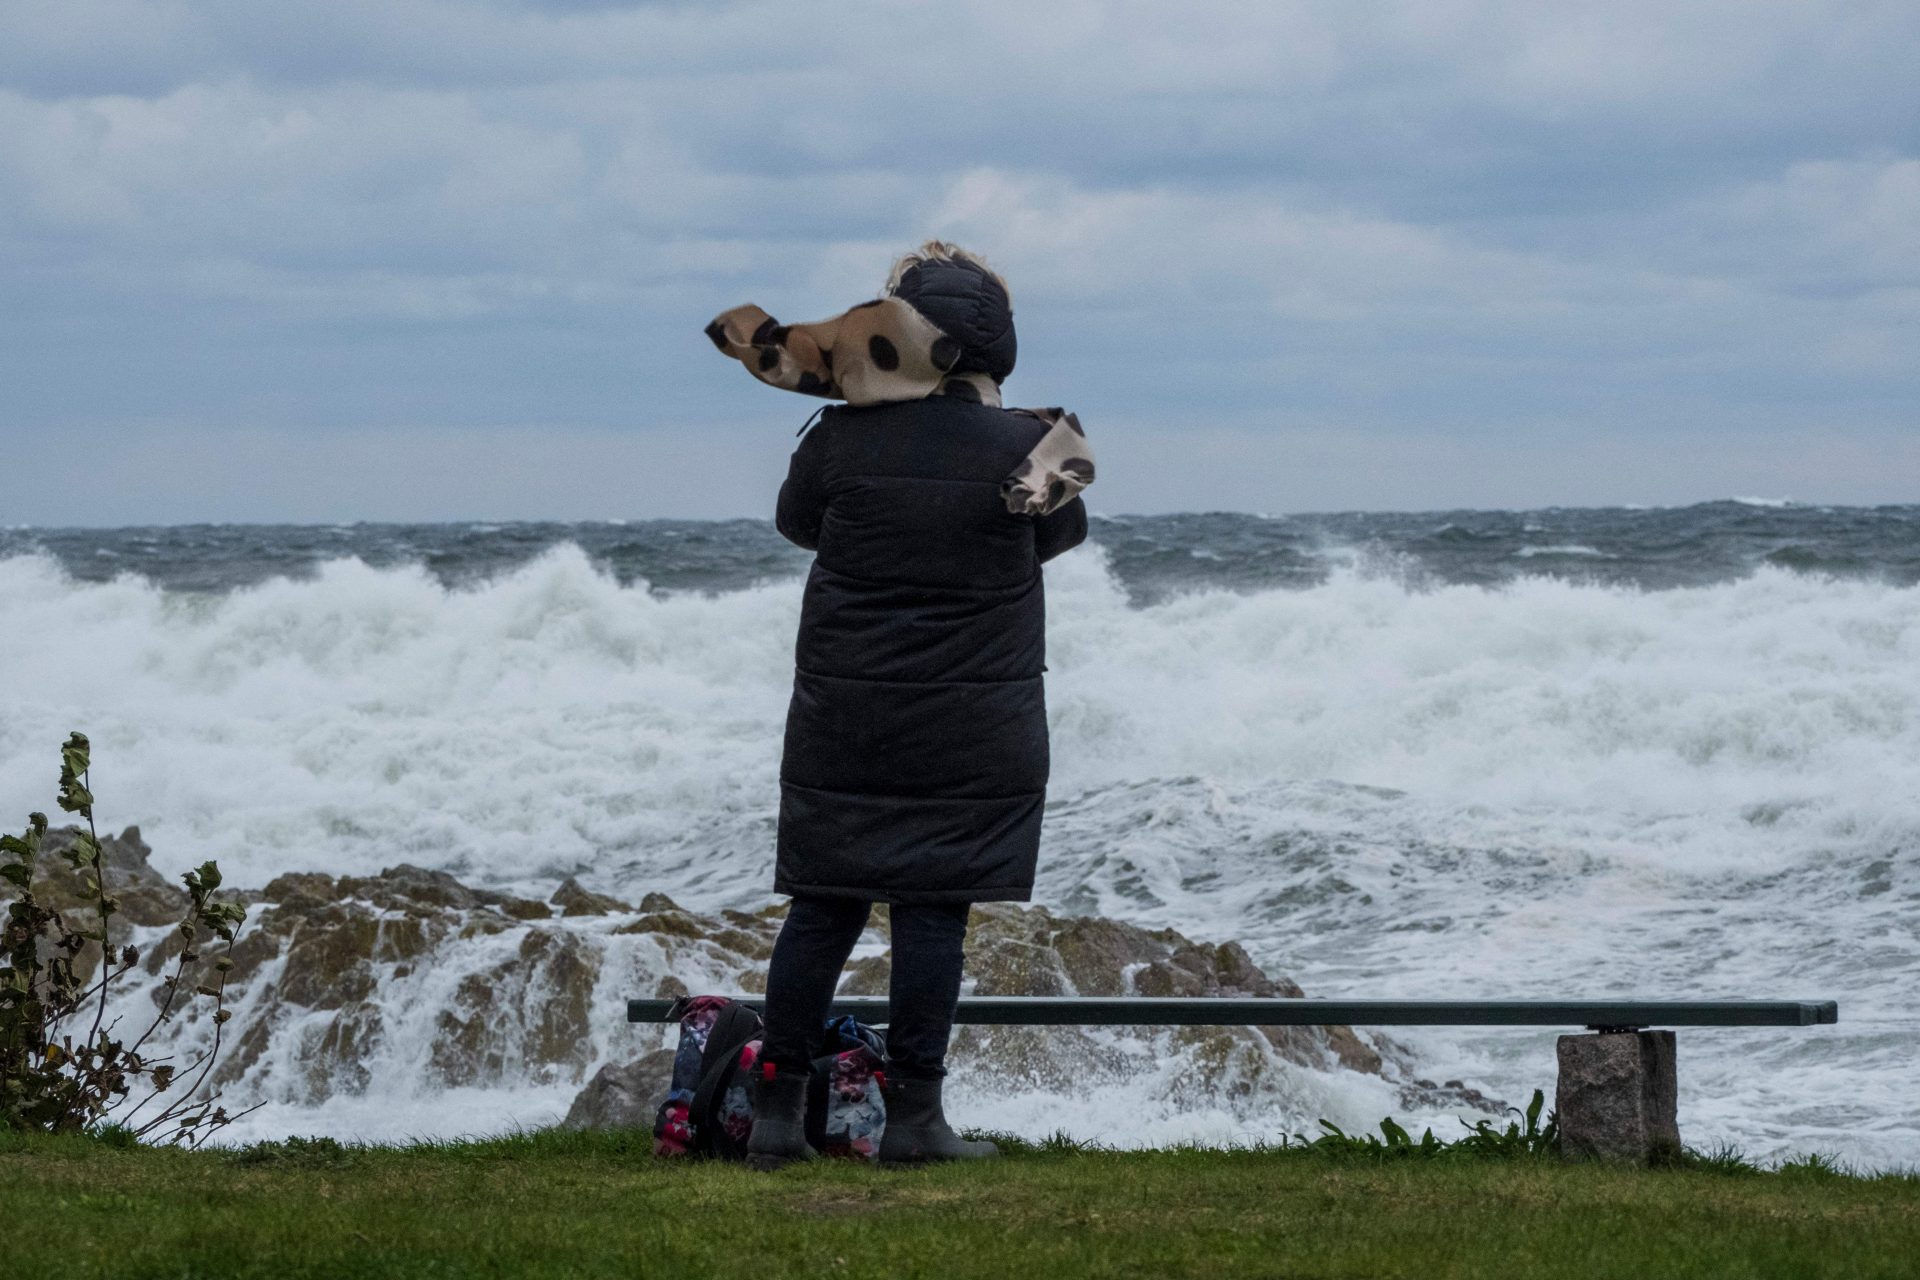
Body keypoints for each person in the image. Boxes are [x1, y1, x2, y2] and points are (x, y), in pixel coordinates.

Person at [704, 242, 1095, 1168]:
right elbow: (1059, 534)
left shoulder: (837, 439)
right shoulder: (1033, 448)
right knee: (932, 917)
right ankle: (916, 1120)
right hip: (974, 725)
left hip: (848, 715)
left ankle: (772, 1116)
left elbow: (798, 525)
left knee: (822, 909)